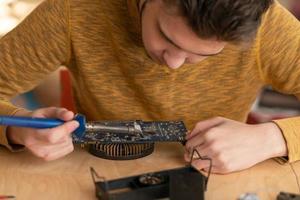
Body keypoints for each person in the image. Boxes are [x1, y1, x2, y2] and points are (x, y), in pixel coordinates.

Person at [0, 0, 299, 174]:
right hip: (94, 175)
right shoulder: (76, 10)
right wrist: (16, 129)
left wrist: (273, 138)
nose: (174, 63)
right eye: (166, 37)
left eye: (202, 54)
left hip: (223, 180)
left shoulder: (267, 27)